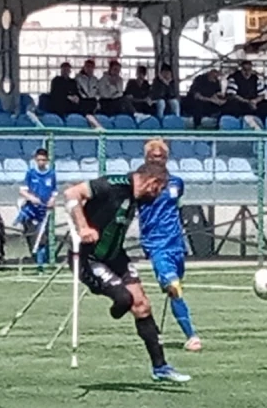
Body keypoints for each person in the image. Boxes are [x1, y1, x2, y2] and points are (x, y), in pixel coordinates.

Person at [62, 163, 190, 382]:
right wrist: (83, 227)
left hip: (116, 257)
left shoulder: (137, 197)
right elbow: (71, 193)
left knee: (142, 305)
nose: (157, 194)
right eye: (159, 189)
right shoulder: (113, 185)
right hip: (89, 259)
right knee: (125, 300)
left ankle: (160, 367)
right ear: (153, 182)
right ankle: (118, 302)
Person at [140, 139, 201, 351]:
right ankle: (192, 336)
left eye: (161, 157)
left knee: (175, 290)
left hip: (176, 243)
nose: (157, 161)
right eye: (153, 157)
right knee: (173, 286)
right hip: (156, 244)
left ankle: (155, 331)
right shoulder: (140, 184)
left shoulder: (176, 183)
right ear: (147, 159)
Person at [18, 148, 57, 272]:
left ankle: (43, 263)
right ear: (35, 160)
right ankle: (36, 261)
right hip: (31, 210)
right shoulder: (31, 173)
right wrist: (31, 198)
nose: (41, 162)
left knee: (43, 237)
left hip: (44, 210)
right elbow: (22, 190)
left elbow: (54, 191)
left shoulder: (51, 174)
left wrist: (52, 200)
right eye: (39, 160)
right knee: (33, 236)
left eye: (43, 160)